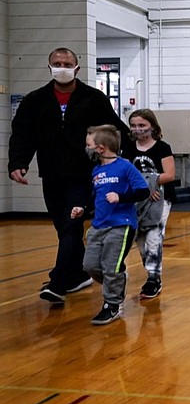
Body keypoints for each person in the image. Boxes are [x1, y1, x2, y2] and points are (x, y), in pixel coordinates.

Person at [8, 47, 133, 304]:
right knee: (62, 226)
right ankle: (77, 274)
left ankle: (58, 283)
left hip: (83, 174)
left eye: (66, 63)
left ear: (76, 68)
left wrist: (130, 156)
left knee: (71, 224)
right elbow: (22, 134)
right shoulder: (35, 100)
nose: (61, 67)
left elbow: (114, 129)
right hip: (52, 174)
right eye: (57, 63)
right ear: (49, 66)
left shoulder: (93, 98)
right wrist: (18, 162)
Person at [71, 125, 149, 325]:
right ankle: (117, 280)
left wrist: (121, 197)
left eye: (89, 145)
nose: (86, 148)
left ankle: (112, 304)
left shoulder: (125, 167)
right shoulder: (96, 170)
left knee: (110, 267)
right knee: (90, 265)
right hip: (98, 226)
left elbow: (143, 191)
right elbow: (95, 196)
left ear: (101, 148)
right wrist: (83, 209)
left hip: (121, 226)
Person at [124, 109, 175, 299]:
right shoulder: (128, 147)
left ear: (152, 126)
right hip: (138, 199)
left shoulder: (162, 147)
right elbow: (127, 173)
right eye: (134, 125)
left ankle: (154, 277)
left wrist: (150, 184)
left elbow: (169, 174)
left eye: (142, 125)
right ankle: (150, 270)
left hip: (160, 199)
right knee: (141, 240)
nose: (137, 129)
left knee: (154, 237)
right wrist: (145, 188)